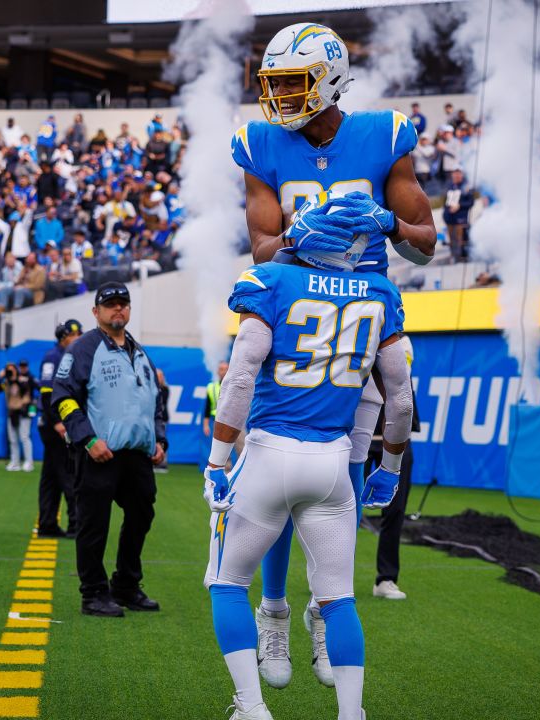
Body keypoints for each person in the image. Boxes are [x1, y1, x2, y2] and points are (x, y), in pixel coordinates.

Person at [233, 22, 436, 692]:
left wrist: (388, 223)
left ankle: (324, 612)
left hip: (358, 326)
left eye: (294, 81)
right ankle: (272, 611)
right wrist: (298, 231)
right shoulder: (261, 145)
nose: (282, 96)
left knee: (338, 483)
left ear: (330, 78)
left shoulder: (382, 135)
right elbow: (263, 249)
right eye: (276, 83)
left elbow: (426, 242)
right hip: (296, 320)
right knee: (277, 475)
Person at [201, 237, 412, 720]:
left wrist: (216, 462)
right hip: (334, 463)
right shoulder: (378, 292)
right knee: (339, 599)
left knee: (228, 582)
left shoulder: (271, 279)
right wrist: (392, 467)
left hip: (269, 453)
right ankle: (350, 712)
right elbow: (399, 399)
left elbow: (240, 376)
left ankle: (252, 708)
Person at [51, 282, 167, 618]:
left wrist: (159, 439)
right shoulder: (83, 349)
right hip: (97, 454)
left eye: (123, 304)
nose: (118, 309)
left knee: (141, 515)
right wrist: (87, 438)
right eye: (110, 304)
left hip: (137, 456)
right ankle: (93, 594)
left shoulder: (140, 351)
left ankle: (126, 585)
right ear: (96, 311)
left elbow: (154, 401)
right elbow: (62, 396)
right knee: (93, 523)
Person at [364, 334, 420, 601]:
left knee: (396, 510)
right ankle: (325, 578)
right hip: (358, 434)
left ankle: (386, 578)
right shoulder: (356, 330)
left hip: (396, 438)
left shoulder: (403, 342)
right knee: (339, 508)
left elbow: (398, 377)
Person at [37, 319, 84, 538]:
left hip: (56, 424)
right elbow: (47, 394)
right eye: (77, 334)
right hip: (56, 426)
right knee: (67, 474)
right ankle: (75, 524)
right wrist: (57, 421)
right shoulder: (53, 357)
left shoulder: (66, 356)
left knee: (51, 477)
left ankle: (47, 524)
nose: (80, 337)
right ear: (65, 336)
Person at [0, 361, 35, 472]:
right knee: (13, 438)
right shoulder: (6, 381)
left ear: (16, 369)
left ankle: (29, 462)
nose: (10, 371)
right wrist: (0, 378)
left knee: (24, 437)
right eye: (8, 369)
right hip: (12, 411)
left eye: (12, 369)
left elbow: (25, 389)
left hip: (23, 411)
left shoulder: (22, 379)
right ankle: (15, 462)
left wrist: (16, 378)